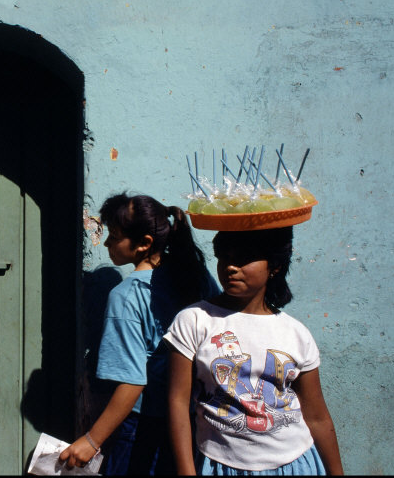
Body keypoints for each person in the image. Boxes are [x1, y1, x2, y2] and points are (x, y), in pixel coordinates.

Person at [59, 193, 219, 474]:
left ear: (144, 244)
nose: (107, 242)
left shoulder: (126, 296)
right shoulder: (197, 277)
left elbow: (132, 382)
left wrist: (91, 440)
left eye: (114, 235)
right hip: (194, 422)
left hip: (144, 427)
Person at [164, 227, 344, 475]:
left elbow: (317, 417)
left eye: (243, 258)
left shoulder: (296, 333)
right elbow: (177, 402)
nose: (230, 267)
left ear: (274, 266)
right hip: (221, 464)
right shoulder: (195, 321)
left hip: (296, 464)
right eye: (224, 257)